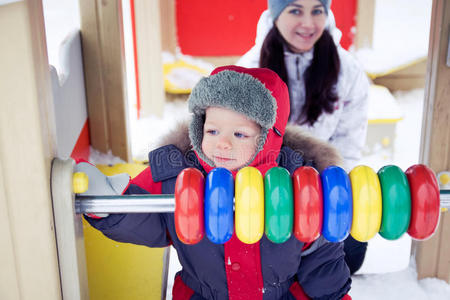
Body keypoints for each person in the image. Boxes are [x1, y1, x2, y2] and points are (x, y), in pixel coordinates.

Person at [80, 65, 352, 299]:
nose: (222, 143)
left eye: (239, 134)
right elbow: (148, 218)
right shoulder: (177, 175)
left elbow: (321, 257)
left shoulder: (300, 184)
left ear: (269, 138)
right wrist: (109, 205)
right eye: (212, 130)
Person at [237, 0, 370, 275]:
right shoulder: (248, 70)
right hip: (268, 188)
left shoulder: (347, 70)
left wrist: (332, 190)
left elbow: (349, 140)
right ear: (276, 14)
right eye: (295, 10)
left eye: (317, 11)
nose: (308, 23)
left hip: (323, 183)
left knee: (350, 256)